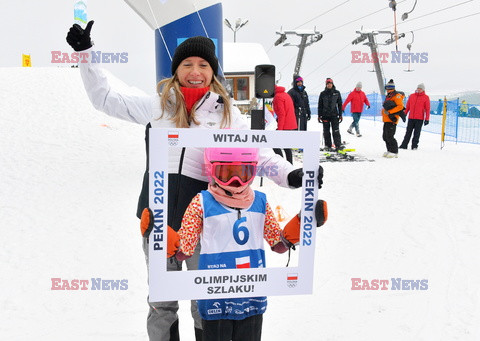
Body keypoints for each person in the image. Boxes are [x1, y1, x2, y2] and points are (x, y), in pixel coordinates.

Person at [66, 21, 323, 341]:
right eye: (187, 64)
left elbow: (258, 154)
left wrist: (292, 173)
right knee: (162, 302)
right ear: (176, 70)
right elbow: (105, 99)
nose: (195, 70)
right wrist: (85, 54)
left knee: (206, 299)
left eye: (203, 64)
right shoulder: (157, 107)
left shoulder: (228, 116)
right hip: (156, 220)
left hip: (207, 220)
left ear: (213, 72)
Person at [170, 147, 327, 341]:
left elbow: (278, 242)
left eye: (243, 173)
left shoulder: (259, 201)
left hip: (251, 294)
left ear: (253, 171)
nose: (235, 181)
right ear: (212, 171)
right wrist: (163, 236)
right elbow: (185, 247)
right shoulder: (201, 202)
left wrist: (302, 223)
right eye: (226, 173)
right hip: (216, 296)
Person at [399, 83, 430, 150]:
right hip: (411, 118)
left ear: (423, 90)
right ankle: (404, 145)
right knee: (408, 132)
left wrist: (427, 119)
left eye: (420, 89)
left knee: (417, 133)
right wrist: (405, 114)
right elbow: (408, 106)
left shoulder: (426, 97)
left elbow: (427, 109)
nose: (419, 89)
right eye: (418, 88)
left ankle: (414, 146)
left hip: (419, 118)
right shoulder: (412, 96)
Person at [272, 84, 298, 163]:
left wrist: (280, 129)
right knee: (287, 146)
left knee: (274, 144)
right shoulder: (285, 94)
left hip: (285, 125)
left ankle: (282, 162)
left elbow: (282, 114)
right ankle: (289, 164)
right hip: (290, 124)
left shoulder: (278, 97)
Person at [381, 79, 405, 158]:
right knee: (385, 136)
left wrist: (390, 112)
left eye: (388, 88)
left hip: (392, 119)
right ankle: (389, 150)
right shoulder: (389, 96)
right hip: (386, 119)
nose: (387, 90)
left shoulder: (397, 96)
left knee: (390, 136)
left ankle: (394, 151)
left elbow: (400, 106)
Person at [318, 78, 344, 151]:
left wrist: (340, 115)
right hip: (325, 115)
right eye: (328, 84)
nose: (329, 85)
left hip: (334, 115)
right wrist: (319, 115)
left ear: (332, 84)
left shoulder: (337, 93)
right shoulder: (322, 93)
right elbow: (320, 105)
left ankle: (338, 145)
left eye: (330, 83)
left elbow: (340, 104)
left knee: (336, 130)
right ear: (326, 85)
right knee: (326, 131)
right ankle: (328, 145)